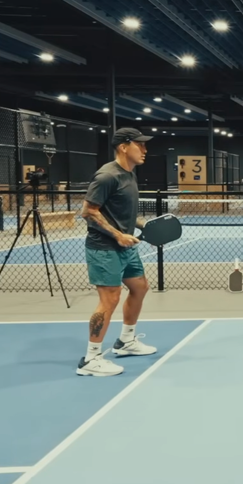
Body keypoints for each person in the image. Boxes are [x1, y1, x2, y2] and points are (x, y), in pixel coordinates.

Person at [76, 127, 158, 377]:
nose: (145, 149)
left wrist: (143, 225)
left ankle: (126, 341)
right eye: (139, 144)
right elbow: (88, 211)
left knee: (140, 287)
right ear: (123, 146)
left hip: (126, 247)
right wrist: (118, 235)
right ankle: (91, 359)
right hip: (105, 248)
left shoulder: (129, 174)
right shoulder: (107, 176)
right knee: (109, 299)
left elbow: (120, 213)